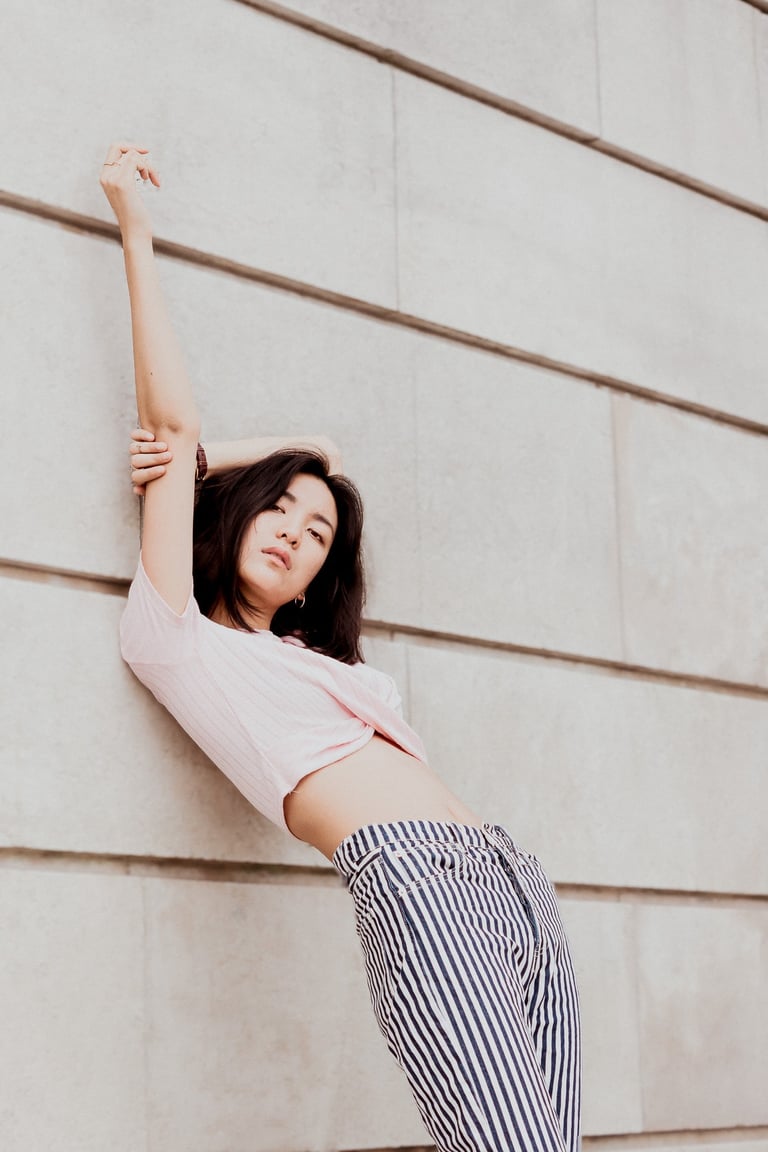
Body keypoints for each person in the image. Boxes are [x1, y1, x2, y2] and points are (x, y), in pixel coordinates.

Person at [101, 141, 582, 1152]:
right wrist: (135, 232)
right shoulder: (176, 637)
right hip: (414, 881)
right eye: (276, 508)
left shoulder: (329, 666)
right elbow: (180, 430)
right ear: (233, 513)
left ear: (322, 578)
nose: (293, 530)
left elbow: (331, 451)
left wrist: (273, 460)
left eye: (317, 533)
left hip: (513, 884)